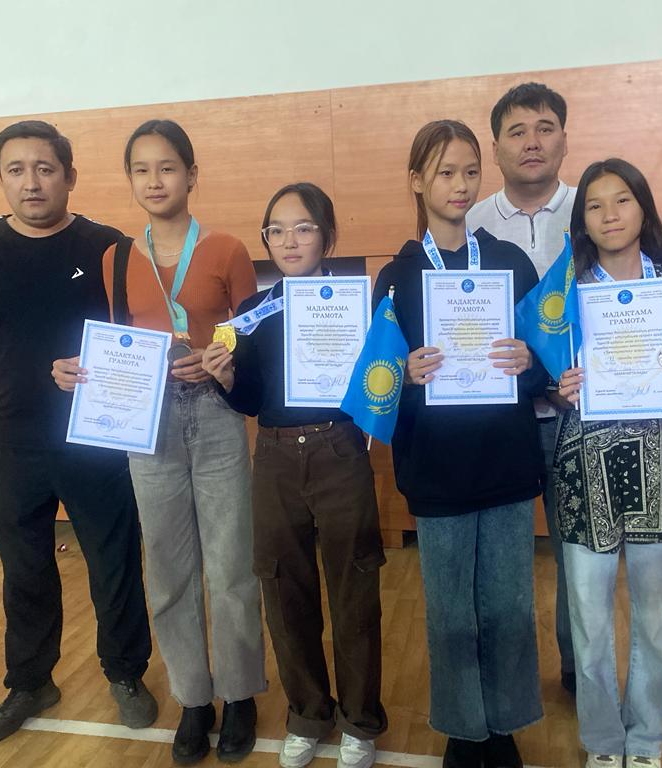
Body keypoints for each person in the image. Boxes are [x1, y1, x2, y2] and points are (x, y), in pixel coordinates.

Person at [0, 120, 156, 747]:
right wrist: (8, 380)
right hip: (11, 443)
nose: (31, 182)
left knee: (114, 563)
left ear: (69, 176)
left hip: (97, 438)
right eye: (16, 170)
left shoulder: (109, 248)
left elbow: (138, 335)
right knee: (24, 570)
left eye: (45, 168)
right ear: (0, 178)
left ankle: (125, 674)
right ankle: (30, 683)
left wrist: (105, 381)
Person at [52, 119, 266, 765]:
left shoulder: (227, 250)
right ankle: (194, 699)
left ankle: (241, 694)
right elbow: (118, 342)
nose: (155, 180)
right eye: (142, 169)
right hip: (147, 423)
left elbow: (250, 337)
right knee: (168, 570)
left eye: (168, 167)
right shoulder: (116, 259)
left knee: (230, 566)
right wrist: (80, 372)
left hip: (218, 417)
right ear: (130, 180)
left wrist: (220, 358)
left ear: (191, 175)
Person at [374, 120, 546, 768]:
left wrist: (529, 361)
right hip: (437, 470)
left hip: (505, 463)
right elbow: (377, 380)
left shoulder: (510, 262)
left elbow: (547, 361)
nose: (461, 185)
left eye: (471, 171)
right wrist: (405, 373)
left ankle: (503, 727)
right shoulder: (396, 277)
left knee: (508, 609)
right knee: (450, 615)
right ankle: (463, 730)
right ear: (417, 181)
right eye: (446, 172)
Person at [202, 182, 388, 768]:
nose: (289, 240)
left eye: (303, 228)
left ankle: (360, 720)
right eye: (276, 230)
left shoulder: (356, 305)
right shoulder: (252, 312)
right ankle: (308, 713)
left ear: (327, 237)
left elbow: (377, 380)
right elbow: (251, 399)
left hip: (340, 452)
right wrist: (226, 380)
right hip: (276, 458)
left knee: (354, 590)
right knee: (284, 590)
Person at [555, 158, 662, 768]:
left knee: (656, 621)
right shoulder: (562, 298)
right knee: (590, 624)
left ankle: (647, 739)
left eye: (622, 200)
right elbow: (543, 381)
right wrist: (559, 388)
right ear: (582, 222)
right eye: (594, 205)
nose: (610, 215)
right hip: (584, 475)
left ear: (643, 208)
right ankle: (603, 743)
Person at [466, 82, 576, 695]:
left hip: (575, 417)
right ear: (496, 147)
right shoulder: (470, 223)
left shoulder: (593, 211)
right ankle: (501, 683)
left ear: (564, 138)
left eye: (545, 127)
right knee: (497, 564)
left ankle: (577, 671)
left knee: (578, 556)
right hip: (498, 419)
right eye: (517, 131)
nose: (532, 142)